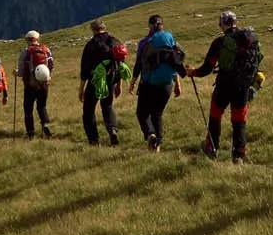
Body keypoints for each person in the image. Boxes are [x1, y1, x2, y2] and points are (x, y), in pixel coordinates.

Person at [191, 10, 262, 163]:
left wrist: (192, 73)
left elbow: (207, 68)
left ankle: (212, 147)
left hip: (224, 84)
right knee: (239, 120)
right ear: (236, 22)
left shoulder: (220, 42)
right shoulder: (251, 39)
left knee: (215, 115)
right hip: (243, 86)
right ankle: (238, 154)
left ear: (222, 24)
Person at [132, 14, 185, 151]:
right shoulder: (169, 39)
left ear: (150, 26)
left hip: (148, 84)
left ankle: (150, 134)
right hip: (166, 84)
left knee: (142, 113)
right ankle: (157, 147)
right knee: (157, 114)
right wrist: (178, 84)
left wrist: (132, 81)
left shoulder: (145, 43)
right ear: (162, 25)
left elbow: (139, 63)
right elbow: (175, 61)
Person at [79, 19, 124, 146]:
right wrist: (119, 84)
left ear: (93, 30)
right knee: (107, 107)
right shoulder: (115, 41)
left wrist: (81, 89)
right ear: (104, 27)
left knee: (88, 110)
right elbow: (120, 64)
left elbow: (85, 69)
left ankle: (94, 141)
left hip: (95, 82)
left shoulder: (91, 45)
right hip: (111, 81)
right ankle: (112, 131)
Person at [19, 30, 54, 139]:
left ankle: (31, 133)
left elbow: (21, 71)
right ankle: (45, 124)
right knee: (42, 106)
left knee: (28, 109)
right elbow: (51, 65)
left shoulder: (26, 52)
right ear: (38, 39)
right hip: (44, 84)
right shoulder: (46, 50)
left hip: (30, 85)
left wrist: (17, 73)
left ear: (28, 40)